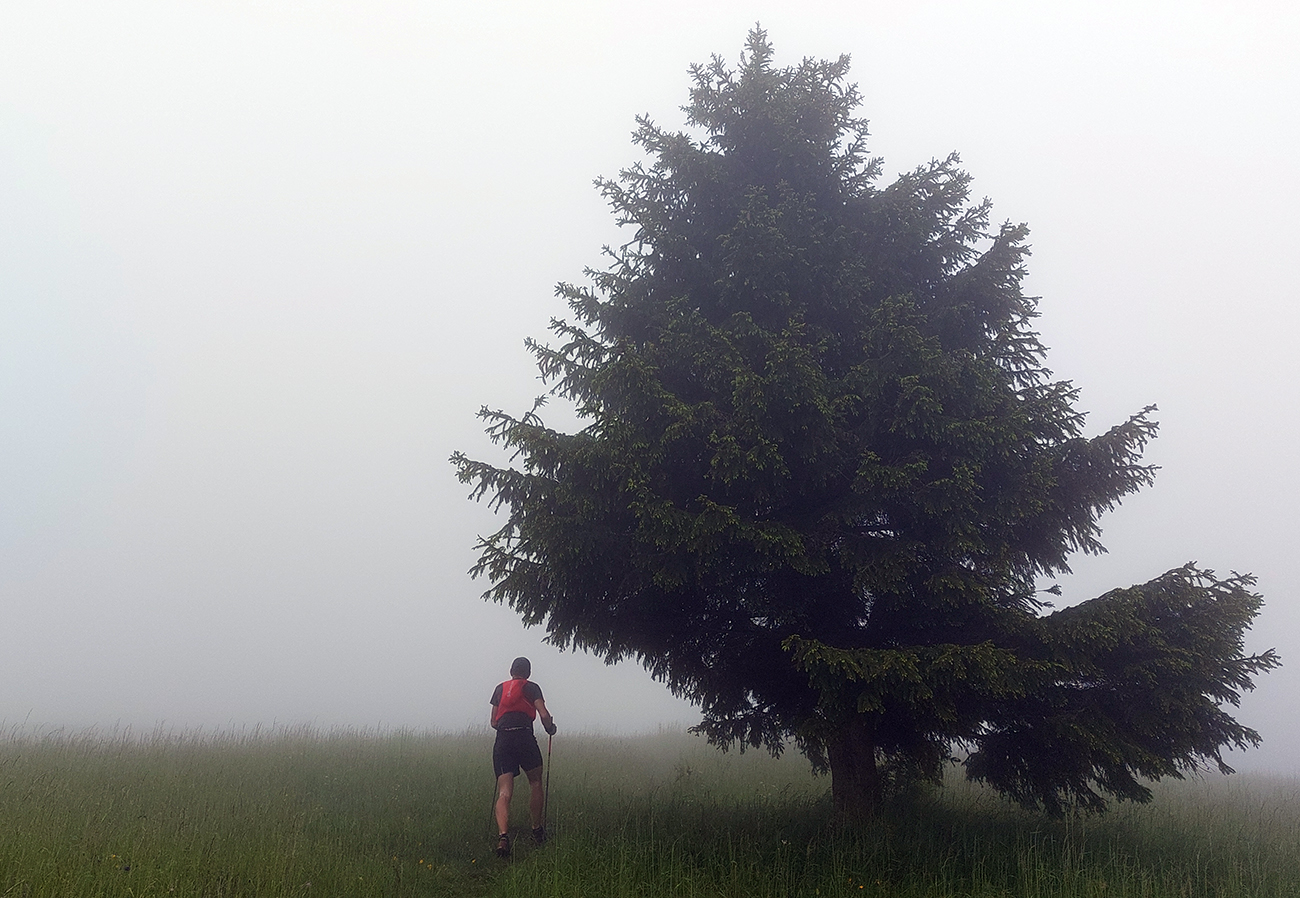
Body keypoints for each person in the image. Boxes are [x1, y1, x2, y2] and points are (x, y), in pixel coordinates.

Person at [490, 656, 556, 858]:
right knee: (535, 782)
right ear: (528, 672)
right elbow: (544, 715)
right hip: (524, 737)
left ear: (511, 671)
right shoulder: (531, 687)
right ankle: (536, 830)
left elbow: (493, 722)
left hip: (503, 739)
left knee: (504, 792)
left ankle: (503, 837)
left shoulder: (500, 689)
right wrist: (550, 728)